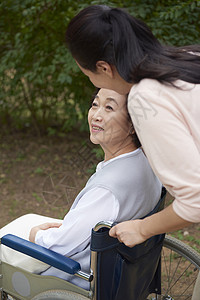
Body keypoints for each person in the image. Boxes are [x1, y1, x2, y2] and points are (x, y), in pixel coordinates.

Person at [65, 5, 200, 249]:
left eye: (87, 73)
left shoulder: (146, 96)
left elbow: (195, 200)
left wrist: (142, 228)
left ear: (104, 68)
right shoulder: (187, 58)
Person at [0, 88, 162, 290]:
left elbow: (59, 246)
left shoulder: (107, 189)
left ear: (132, 126)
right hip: (122, 264)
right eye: (95, 104)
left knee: (5, 242)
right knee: (28, 219)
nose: (96, 115)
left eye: (109, 107)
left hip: (77, 274)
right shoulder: (147, 163)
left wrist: (35, 236)